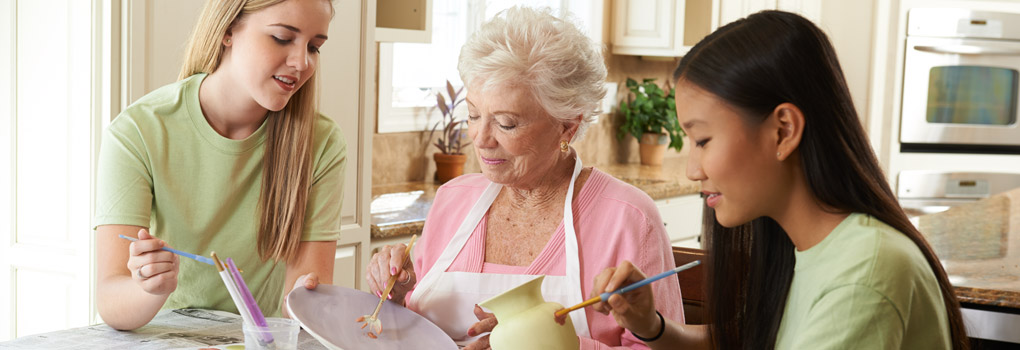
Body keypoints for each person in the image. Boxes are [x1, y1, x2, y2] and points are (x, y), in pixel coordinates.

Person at [590, 10, 970, 349]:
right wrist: (650, 325)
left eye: (703, 140)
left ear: (783, 131)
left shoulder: (863, 277)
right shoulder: (809, 248)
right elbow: (747, 339)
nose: (693, 170)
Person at [366, 6, 683, 349]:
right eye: (473, 114)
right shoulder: (452, 200)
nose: (481, 138)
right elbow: (413, 329)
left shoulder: (629, 218)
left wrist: (551, 343)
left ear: (567, 126)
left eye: (506, 123)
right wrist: (396, 296)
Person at [94, 0, 345, 330]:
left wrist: (307, 303)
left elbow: (303, 300)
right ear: (228, 30)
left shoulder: (321, 143)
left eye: (314, 47)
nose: (301, 62)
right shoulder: (138, 131)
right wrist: (148, 289)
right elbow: (110, 300)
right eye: (283, 38)